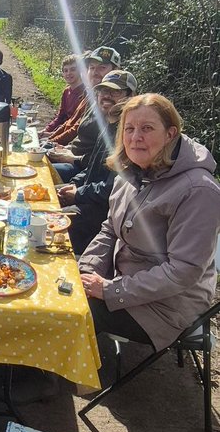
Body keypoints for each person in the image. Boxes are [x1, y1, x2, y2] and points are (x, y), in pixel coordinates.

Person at [78, 94, 220, 353]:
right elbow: (110, 229)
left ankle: (48, 381)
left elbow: (183, 271)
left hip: (168, 305)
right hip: (127, 278)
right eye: (129, 129)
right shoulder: (131, 172)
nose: (135, 137)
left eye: (147, 128)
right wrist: (86, 270)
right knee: (64, 283)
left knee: (72, 308)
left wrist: (110, 290)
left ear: (170, 134)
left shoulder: (199, 191)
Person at [59, 71, 137, 255]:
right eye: (103, 91)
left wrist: (78, 194)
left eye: (115, 92)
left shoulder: (128, 135)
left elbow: (111, 190)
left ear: (131, 97)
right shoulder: (109, 125)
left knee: (47, 223)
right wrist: (73, 185)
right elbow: (90, 168)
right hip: (88, 198)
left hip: (103, 213)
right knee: (43, 199)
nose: (107, 96)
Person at [47, 47, 122, 179]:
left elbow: (106, 157)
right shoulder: (93, 96)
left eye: (102, 68)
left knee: (40, 172)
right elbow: (74, 125)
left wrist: (74, 158)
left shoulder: (113, 105)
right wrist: (66, 147)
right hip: (73, 154)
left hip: (83, 168)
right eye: (91, 68)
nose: (95, 72)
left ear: (116, 71)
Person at [44, 55, 84, 134]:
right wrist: (46, 130)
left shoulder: (85, 93)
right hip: (61, 130)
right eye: (65, 70)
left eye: (73, 69)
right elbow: (60, 116)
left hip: (71, 134)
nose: (69, 73)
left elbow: (76, 124)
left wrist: (53, 135)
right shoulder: (66, 91)